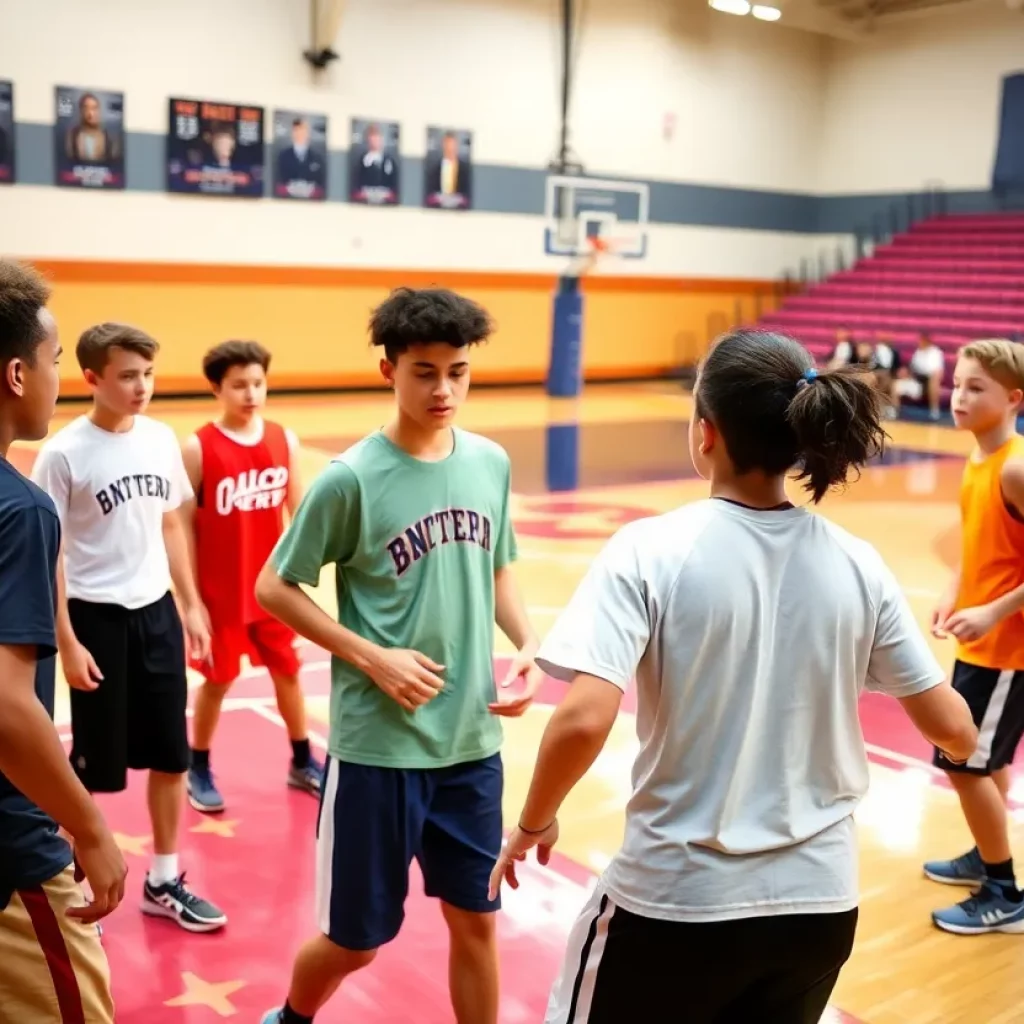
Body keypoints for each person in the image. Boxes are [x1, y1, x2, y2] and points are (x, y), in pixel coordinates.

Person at [490, 328, 978, 1024]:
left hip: (675, 902)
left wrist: (535, 821)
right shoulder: (858, 562)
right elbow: (954, 729)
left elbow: (583, 717)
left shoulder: (650, 548)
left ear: (706, 432)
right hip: (819, 909)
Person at [256, 287, 541, 1024]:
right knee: (355, 943)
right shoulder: (352, 478)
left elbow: (499, 567)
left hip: (470, 746)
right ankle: (290, 1017)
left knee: (476, 920)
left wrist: (530, 643)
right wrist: (370, 656)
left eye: (458, 371)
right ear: (389, 370)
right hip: (380, 750)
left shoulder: (490, 463)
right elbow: (274, 587)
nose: (443, 389)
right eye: (424, 371)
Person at [30, 322, 226, 934]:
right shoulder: (63, 452)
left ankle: (163, 878)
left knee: (171, 754)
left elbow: (171, 523)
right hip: (93, 619)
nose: (141, 387)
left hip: (155, 612)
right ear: (91, 378)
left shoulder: (162, 439)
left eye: (148, 374)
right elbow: (52, 554)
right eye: (127, 376)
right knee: (90, 769)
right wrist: (65, 639)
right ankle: (78, 884)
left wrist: (190, 603)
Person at [0, 259, 125, 1021]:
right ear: (17, 374)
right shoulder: (20, 510)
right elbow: (10, 711)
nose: (58, 379)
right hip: (10, 849)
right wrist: (90, 826)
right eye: (52, 363)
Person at [181, 340, 323, 813]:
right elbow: (180, 524)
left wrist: (307, 574)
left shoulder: (285, 439)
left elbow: (298, 510)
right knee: (217, 681)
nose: (250, 393)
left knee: (288, 672)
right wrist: (191, 599)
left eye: (258, 383)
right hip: (220, 593)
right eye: (239, 385)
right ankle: (197, 763)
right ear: (217, 388)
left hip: (273, 590)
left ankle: (302, 759)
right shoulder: (199, 446)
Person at [926, 339, 1024, 935]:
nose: (959, 396)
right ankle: (985, 851)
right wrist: (954, 592)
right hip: (983, 643)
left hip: (1008, 650)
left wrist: (992, 613)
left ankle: (1004, 891)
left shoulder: (1016, 466)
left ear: (1013, 398)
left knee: (964, 764)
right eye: (958, 384)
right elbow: (976, 543)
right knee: (984, 762)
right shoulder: (978, 458)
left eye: (975, 388)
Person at [893, 332, 945, 421]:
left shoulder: (936, 353)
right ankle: (895, 411)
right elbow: (913, 369)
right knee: (896, 384)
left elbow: (938, 371)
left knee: (934, 381)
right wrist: (906, 374)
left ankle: (934, 411)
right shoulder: (918, 352)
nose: (919, 343)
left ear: (927, 341)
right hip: (917, 380)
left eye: (921, 341)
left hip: (930, 379)